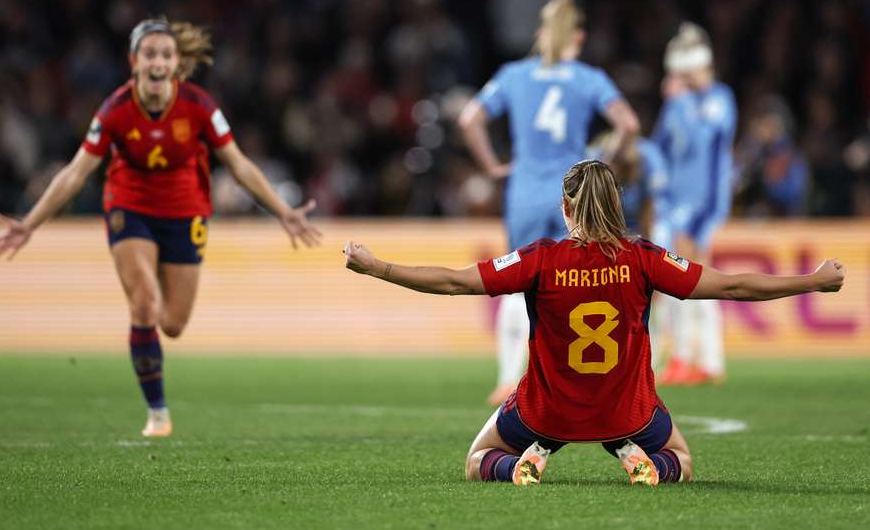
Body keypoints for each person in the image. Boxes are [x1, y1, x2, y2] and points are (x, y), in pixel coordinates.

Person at [343, 159, 844, 486]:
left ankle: (522, 462)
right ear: (615, 205)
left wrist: (376, 267)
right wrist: (812, 281)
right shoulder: (644, 257)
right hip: (626, 413)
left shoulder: (540, 258)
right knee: (684, 463)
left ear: (565, 207)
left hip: (547, 413)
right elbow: (733, 287)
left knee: (477, 461)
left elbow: (453, 282)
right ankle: (638, 460)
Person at [0, 18, 322, 437]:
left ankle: (150, 335)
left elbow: (238, 165)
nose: (158, 61)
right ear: (134, 61)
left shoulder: (201, 107)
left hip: (186, 213)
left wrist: (283, 212)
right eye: (150, 54)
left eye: (166, 54)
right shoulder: (114, 110)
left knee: (174, 325)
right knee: (144, 303)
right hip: (131, 207)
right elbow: (76, 173)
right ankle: (158, 413)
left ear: (177, 64)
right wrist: (30, 223)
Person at [457, 0, 640, 405]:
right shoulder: (589, 78)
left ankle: (506, 380)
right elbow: (628, 123)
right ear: (578, 37)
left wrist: (491, 166)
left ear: (541, 36)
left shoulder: (513, 75)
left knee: (511, 280)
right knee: (574, 281)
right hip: (571, 192)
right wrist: (602, 163)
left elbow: (470, 119)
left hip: (523, 190)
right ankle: (567, 380)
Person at [652, 23, 738, 385]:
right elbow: (659, 152)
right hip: (671, 207)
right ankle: (685, 357)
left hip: (702, 205)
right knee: (673, 283)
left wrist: (704, 219)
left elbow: (715, 155)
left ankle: (706, 360)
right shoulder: (679, 105)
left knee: (698, 282)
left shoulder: (719, 100)